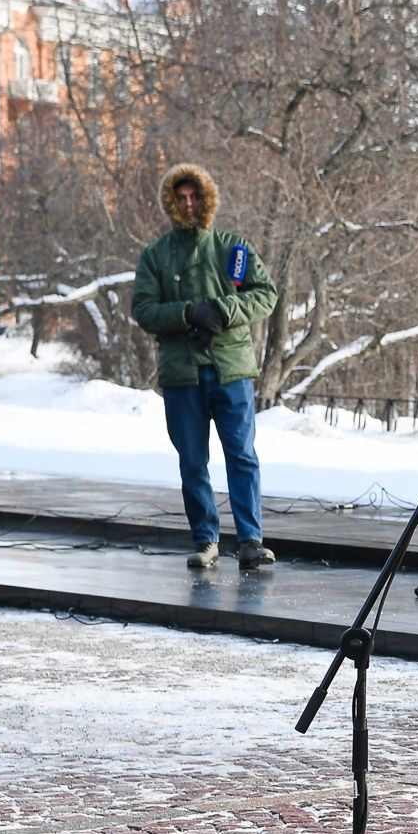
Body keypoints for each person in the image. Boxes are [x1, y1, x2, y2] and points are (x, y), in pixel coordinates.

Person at [130, 164, 280, 571]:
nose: (188, 203)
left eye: (194, 196)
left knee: (242, 456)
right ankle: (206, 539)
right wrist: (187, 313)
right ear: (171, 203)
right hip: (183, 375)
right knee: (192, 460)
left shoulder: (234, 249)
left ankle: (250, 540)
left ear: (207, 198)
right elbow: (142, 310)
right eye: (180, 197)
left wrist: (224, 309)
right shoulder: (157, 255)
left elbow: (266, 295)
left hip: (231, 369)